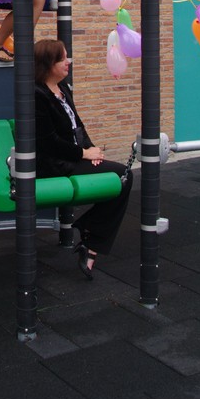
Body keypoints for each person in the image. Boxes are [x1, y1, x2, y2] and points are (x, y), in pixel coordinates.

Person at [34, 39, 132, 279]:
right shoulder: (37, 95)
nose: (67, 62)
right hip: (54, 164)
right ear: (48, 64)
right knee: (123, 175)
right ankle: (90, 237)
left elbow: (77, 124)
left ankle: (90, 238)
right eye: (62, 59)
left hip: (74, 157)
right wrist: (83, 154)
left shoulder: (62, 87)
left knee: (123, 176)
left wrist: (91, 149)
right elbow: (48, 141)